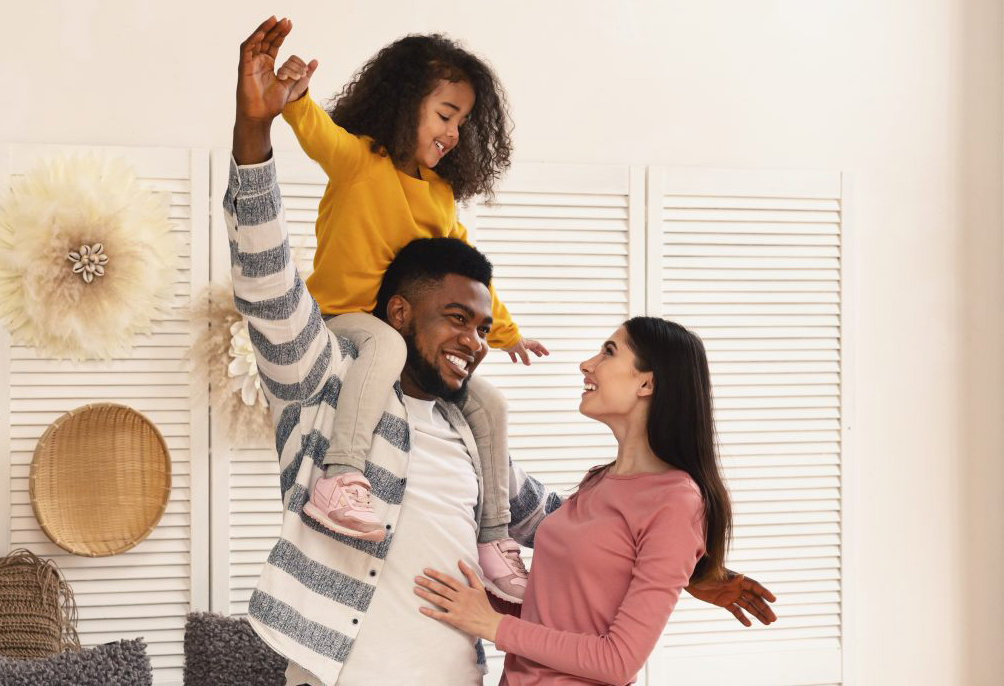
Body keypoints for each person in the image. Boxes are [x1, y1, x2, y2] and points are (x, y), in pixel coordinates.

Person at [227, 17, 777, 686]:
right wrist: (254, 132)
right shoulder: (327, 381)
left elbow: (569, 528)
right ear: (399, 311)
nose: (473, 342)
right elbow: (265, 277)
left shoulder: (468, 431)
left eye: (483, 328)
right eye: (456, 319)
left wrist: (689, 572)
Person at [272, 26, 546, 603]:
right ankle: (340, 477)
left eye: (463, 122)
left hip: (397, 338)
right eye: (446, 114)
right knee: (387, 346)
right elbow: (318, 134)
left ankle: (494, 539)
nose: (453, 132)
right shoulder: (360, 162)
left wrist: (508, 332)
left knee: (488, 401)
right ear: (406, 104)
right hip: (343, 322)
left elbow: (466, 275)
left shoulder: (439, 196)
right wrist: (295, 98)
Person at [414, 317, 755, 685]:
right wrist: (481, 602)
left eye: (608, 352)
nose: (587, 364)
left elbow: (617, 661)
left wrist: (492, 623)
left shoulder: (677, 501)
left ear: (646, 382)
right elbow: (561, 604)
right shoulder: (599, 481)